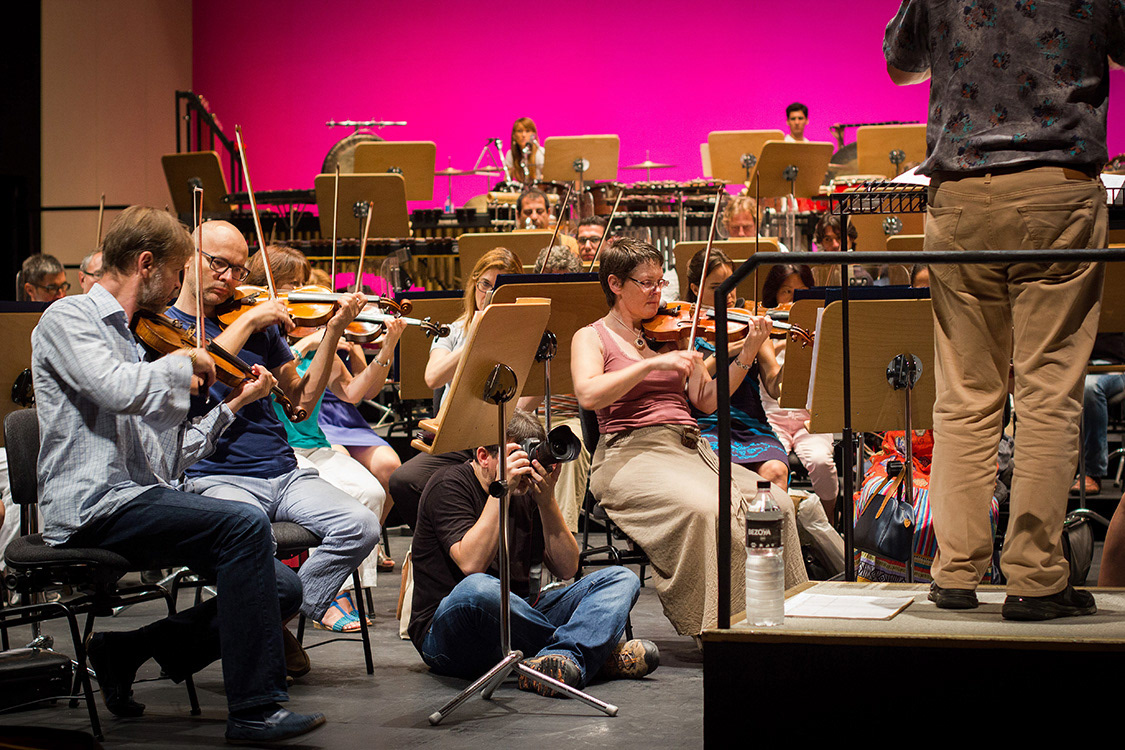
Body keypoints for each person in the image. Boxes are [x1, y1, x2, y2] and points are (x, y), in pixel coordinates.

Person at [30, 206, 324, 743]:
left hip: (139, 498)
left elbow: (166, 456)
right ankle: (255, 710)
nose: (179, 287)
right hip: (93, 507)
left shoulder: (136, 339)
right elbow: (116, 387)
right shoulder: (69, 319)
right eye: (175, 272)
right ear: (146, 264)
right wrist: (186, 361)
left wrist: (233, 405)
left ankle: (126, 651)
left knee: (280, 588)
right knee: (243, 525)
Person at [885, 0, 1123, 620]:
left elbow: (899, 61)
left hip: (963, 197)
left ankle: (956, 572)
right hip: (1057, 191)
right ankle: (1035, 579)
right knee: (1048, 393)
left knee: (965, 393)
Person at [572, 237, 807, 636]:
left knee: (776, 505)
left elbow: (707, 399)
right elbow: (589, 392)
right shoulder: (592, 336)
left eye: (660, 282)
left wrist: (748, 351)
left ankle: (778, 622)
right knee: (710, 512)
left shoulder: (671, 335)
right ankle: (720, 629)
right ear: (615, 283)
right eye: (646, 283)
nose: (657, 292)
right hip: (632, 454)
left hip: (688, 448)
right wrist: (651, 366)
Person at [166, 222, 381, 632]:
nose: (228, 278)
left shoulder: (259, 326)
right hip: (215, 477)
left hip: (283, 471)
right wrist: (247, 323)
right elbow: (189, 388)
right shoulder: (167, 328)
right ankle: (274, 625)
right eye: (218, 264)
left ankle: (281, 613)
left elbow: (300, 403)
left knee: (361, 525)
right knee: (250, 542)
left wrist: (333, 331)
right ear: (188, 259)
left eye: (238, 270)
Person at [409, 409, 656, 694]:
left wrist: (547, 501)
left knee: (619, 579)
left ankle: (563, 658)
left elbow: (567, 569)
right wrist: (500, 493)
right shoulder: (448, 484)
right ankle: (594, 653)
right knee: (479, 589)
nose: (525, 464)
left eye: (531, 454)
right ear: (482, 456)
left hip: (519, 617)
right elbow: (471, 564)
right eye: (516, 453)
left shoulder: (528, 491)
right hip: (448, 633)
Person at [245, 247, 406, 631]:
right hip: (281, 451)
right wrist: (308, 344)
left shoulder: (323, 347)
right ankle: (331, 600)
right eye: (293, 286)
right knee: (333, 503)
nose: (303, 295)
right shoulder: (260, 340)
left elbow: (355, 394)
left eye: (303, 285)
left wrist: (387, 346)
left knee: (372, 494)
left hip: (316, 446)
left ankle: (341, 587)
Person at [389, 247, 524, 529]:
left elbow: (528, 400)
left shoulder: (523, 331)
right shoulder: (454, 331)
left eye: (498, 287)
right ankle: (444, 546)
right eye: (484, 285)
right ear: (474, 285)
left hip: (503, 437)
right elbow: (433, 378)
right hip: (458, 438)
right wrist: (474, 337)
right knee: (404, 480)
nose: (488, 294)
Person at [683, 249, 788, 490]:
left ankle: (765, 528)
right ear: (696, 289)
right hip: (705, 425)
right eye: (717, 287)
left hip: (751, 426)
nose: (728, 295)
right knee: (719, 475)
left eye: (732, 284)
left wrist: (792, 353)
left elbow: (774, 387)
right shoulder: (686, 332)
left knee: (776, 471)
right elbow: (693, 386)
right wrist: (736, 348)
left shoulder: (749, 324)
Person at [759, 263, 839, 522]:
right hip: (772, 419)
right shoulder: (766, 332)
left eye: (800, 292)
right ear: (774, 295)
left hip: (811, 419)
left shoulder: (821, 327)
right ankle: (777, 529)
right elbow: (772, 386)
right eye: (786, 292)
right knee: (770, 468)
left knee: (821, 461)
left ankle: (827, 528)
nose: (792, 300)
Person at [1073, 334, 1125, 496]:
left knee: (1090, 388)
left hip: (1116, 366)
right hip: (1073, 364)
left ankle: (1092, 472)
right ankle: (1052, 471)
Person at [503, 117, 544, 184]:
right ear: (514, 135)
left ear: (534, 135)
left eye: (527, 131)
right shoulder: (510, 154)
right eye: (520, 131)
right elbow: (507, 180)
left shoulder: (540, 153)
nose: (523, 135)